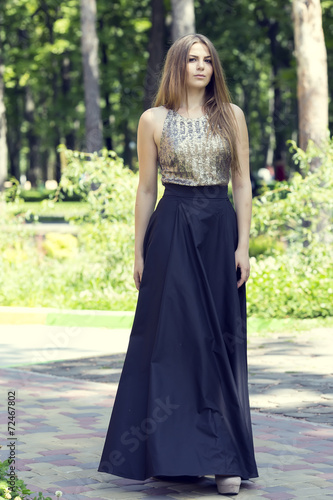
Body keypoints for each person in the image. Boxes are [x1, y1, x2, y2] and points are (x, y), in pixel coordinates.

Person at [98, 33, 259, 496]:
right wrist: (138, 250)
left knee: (217, 342)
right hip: (171, 229)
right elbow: (146, 188)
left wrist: (244, 245)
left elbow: (243, 182)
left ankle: (224, 457)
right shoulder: (153, 119)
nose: (202, 66)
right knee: (170, 342)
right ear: (177, 66)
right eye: (192, 59)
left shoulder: (232, 116)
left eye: (208, 59)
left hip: (219, 232)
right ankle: (174, 456)